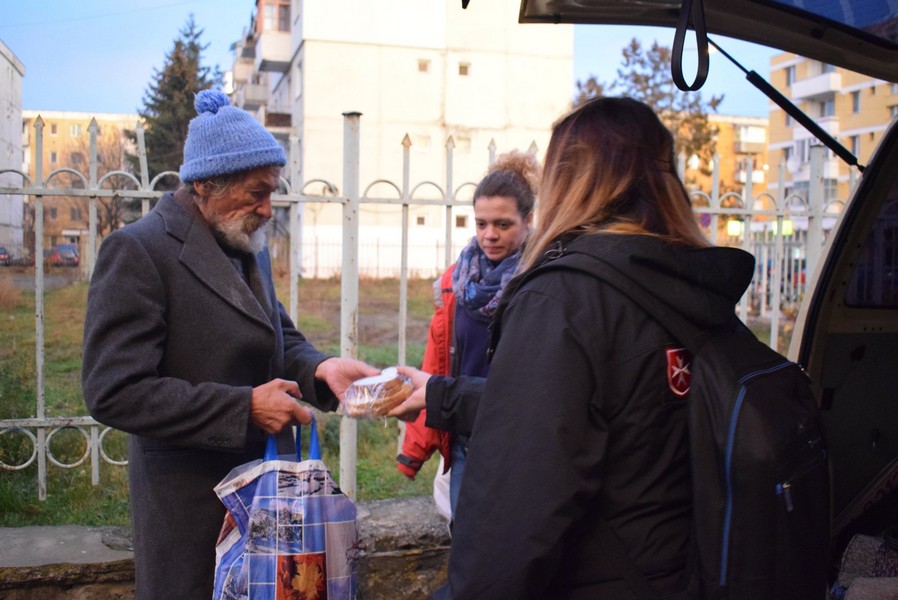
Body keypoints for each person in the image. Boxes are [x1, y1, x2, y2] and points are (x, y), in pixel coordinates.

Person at [420, 97, 757, 598]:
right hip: (687, 573)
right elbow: (604, 410)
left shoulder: (564, 298)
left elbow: (512, 521)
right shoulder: (696, 290)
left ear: (567, 181)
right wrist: (440, 395)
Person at [81, 89, 377, 599]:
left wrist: (320, 368)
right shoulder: (138, 250)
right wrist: (244, 409)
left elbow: (275, 334)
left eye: (272, 192)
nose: (268, 209)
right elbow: (114, 390)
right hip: (192, 508)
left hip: (265, 498)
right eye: (256, 193)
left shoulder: (244, 240)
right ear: (205, 184)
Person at [394, 150, 539, 519]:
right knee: (464, 538)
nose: (490, 235)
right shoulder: (455, 282)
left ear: (528, 220)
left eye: (503, 224)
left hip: (522, 439)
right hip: (465, 437)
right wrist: (415, 447)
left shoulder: (541, 281)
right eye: (481, 223)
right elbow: (437, 364)